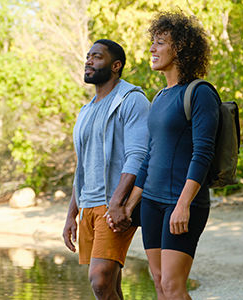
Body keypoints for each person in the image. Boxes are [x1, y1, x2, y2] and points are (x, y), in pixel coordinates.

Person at [108, 11, 219, 300]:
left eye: (160, 43)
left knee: (172, 285)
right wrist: (131, 204)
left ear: (179, 48)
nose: (152, 49)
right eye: (152, 43)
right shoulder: (158, 97)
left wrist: (184, 205)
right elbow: (149, 157)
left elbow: (203, 153)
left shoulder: (200, 93)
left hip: (181, 203)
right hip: (152, 204)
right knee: (158, 281)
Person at [62, 39, 150, 300]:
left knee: (99, 281)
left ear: (116, 65)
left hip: (114, 205)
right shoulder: (86, 110)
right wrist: (71, 215)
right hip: (87, 205)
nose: (88, 61)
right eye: (88, 56)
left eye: (96, 57)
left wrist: (117, 203)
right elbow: (83, 167)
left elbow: (138, 155)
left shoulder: (132, 100)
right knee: (111, 285)